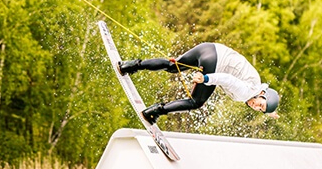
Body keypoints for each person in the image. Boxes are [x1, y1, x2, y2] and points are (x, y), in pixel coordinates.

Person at [118, 42, 280, 125]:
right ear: (262, 95)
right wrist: (206, 79)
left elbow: (263, 99)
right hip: (214, 63)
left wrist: (268, 109)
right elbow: (227, 79)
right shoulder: (248, 92)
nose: (256, 107)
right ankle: (154, 112)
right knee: (195, 102)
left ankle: (131, 66)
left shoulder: (257, 85)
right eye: (260, 104)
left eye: (260, 110)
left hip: (208, 48)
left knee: (172, 66)